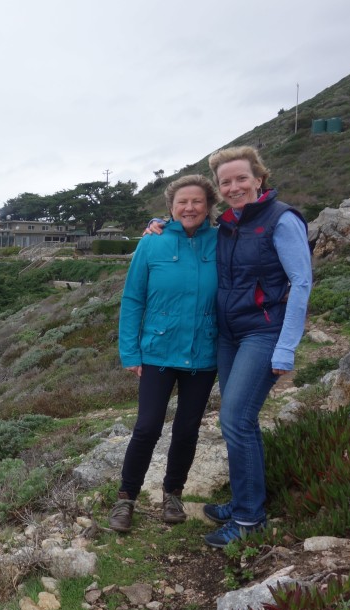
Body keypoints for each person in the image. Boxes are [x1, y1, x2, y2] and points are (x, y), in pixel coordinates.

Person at [145, 146, 313, 547]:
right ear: (220, 190)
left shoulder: (282, 220)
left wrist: (286, 347)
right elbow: (190, 232)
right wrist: (160, 223)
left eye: (241, 178)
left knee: (236, 419)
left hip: (263, 332)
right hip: (229, 334)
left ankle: (249, 519)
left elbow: (302, 282)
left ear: (259, 178)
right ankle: (243, 499)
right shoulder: (229, 225)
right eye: (226, 182)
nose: (234, 186)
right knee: (237, 421)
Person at [109, 175, 220, 533]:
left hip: (203, 352)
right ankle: (126, 498)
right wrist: (130, 351)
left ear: (209, 207)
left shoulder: (223, 241)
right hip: (157, 351)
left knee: (187, 430)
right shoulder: (151, 244)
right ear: (170, 208)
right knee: (146, 427)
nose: (190, 208)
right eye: (182, 202)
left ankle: (173, 494)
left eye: (197, 202)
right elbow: (133, 298)